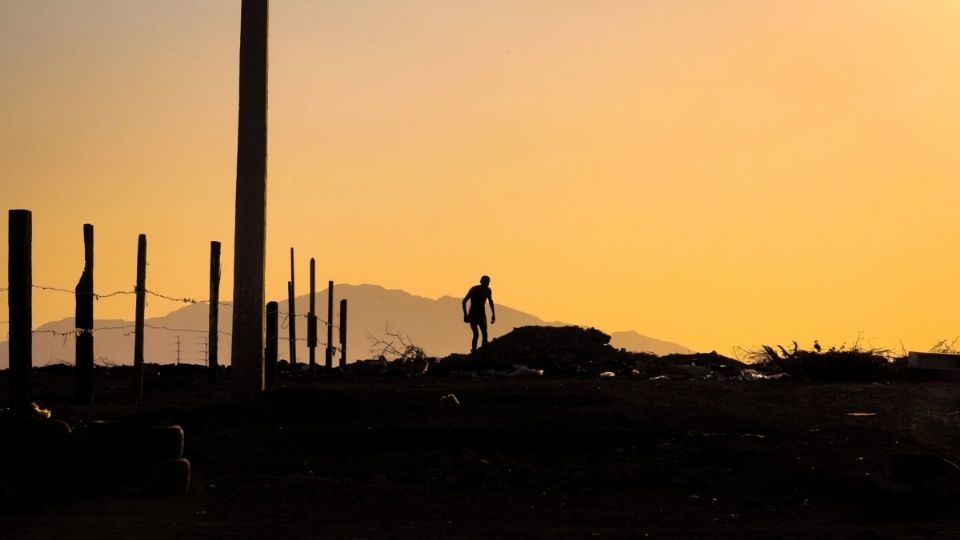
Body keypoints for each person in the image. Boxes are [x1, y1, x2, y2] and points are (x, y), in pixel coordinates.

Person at [462, 275, 496, 354]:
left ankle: (484, 351)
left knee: (484, 334)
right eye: (486, 282)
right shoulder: (474, 289)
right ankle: (474, 351)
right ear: (481, 282)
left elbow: (490, 301)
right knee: (476, 334)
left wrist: (493, 314)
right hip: (473, 314)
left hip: (481, 315)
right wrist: (465, 314)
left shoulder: (488, 290)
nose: (487, 284)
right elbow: (464, 301)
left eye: (488, 282)